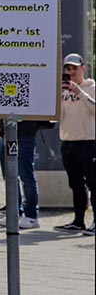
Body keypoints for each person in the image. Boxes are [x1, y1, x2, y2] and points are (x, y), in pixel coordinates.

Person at [57, 53, 95, 235]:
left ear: (83, 69)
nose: (71, 72)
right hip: (68, 141)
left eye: (74, 68)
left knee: (93, 183)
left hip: (88, 141)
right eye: (68, 69)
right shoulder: (63, 91)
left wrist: (79, 92)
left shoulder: (91, 87)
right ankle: (78, 221)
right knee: (76, 184)